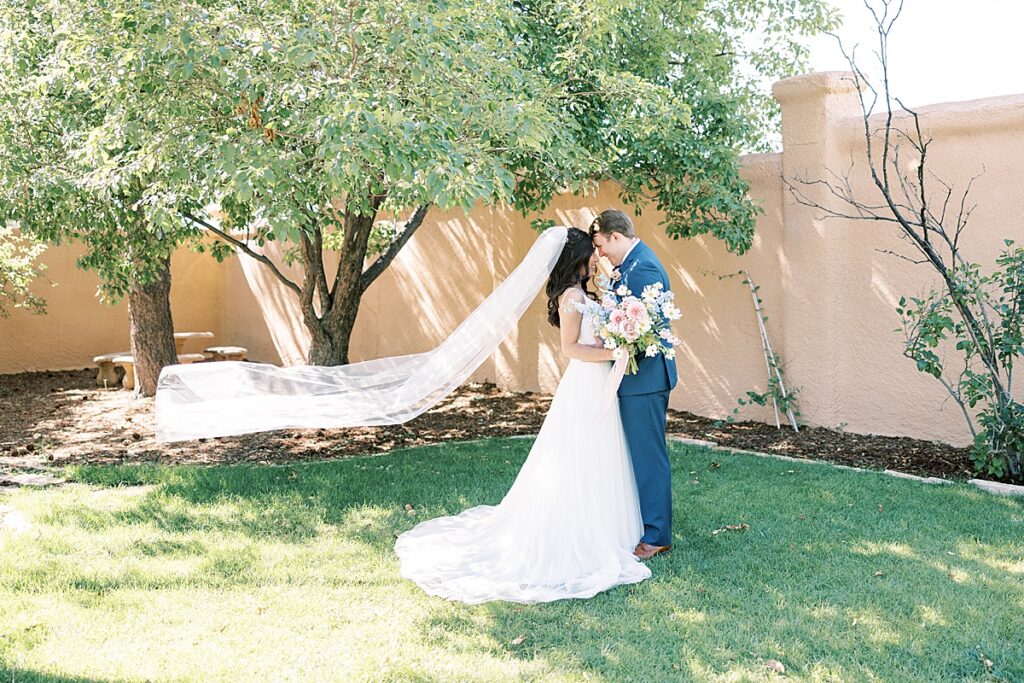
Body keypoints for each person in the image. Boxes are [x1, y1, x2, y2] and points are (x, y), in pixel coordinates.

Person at [394, 227, 651, 604]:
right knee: (580, 456)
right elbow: (571, 350)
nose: (597, 257)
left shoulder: (587, 292)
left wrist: (616, 336)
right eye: (592, 252)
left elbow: (593, 338)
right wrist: (615, 353)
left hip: (598, 385)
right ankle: (576, 531)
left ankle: (608, 528)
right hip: (584, 383)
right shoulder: (570, 297)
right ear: (576, 258)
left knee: (601, 454)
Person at [589, 209, 678, 561]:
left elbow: (643, 329)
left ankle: (657, 536)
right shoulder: (629, 265)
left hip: (644, 380)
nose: (600, 254)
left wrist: (612, 338)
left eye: (601, 245)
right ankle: (645, 522)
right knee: (638, 457)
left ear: (616, 237)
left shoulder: (644, 268)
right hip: (634, 378)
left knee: (648, 458)